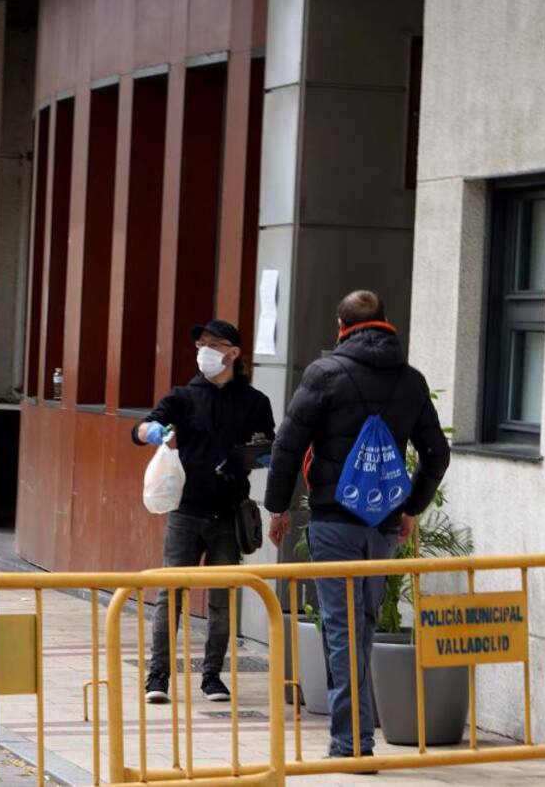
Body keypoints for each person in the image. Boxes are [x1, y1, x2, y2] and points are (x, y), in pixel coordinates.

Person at [265, 290, 450, 761]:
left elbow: (288, 445)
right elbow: (437, 453)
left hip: (334, 521)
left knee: (341, 630)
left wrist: (278, 507)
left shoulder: (324, 374)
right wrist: (411, 507)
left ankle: (351, 743)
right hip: (383, 524)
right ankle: (356, 734)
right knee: (360, 626)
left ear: (341, 326)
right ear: (386, 322)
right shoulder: (411, 380)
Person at [134, 320, 275, 704]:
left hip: (229, 513)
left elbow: (269, 447)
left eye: (213, 344)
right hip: (186, 510)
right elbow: (143, 427)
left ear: (233, 353)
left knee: (222, 599)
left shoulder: (255, 402)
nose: (204, 350)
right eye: (201, 344)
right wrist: (151, 432)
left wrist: (257, 457)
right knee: (171, 594)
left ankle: (212, 676)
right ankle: (158, 675)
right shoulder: (183, 397)